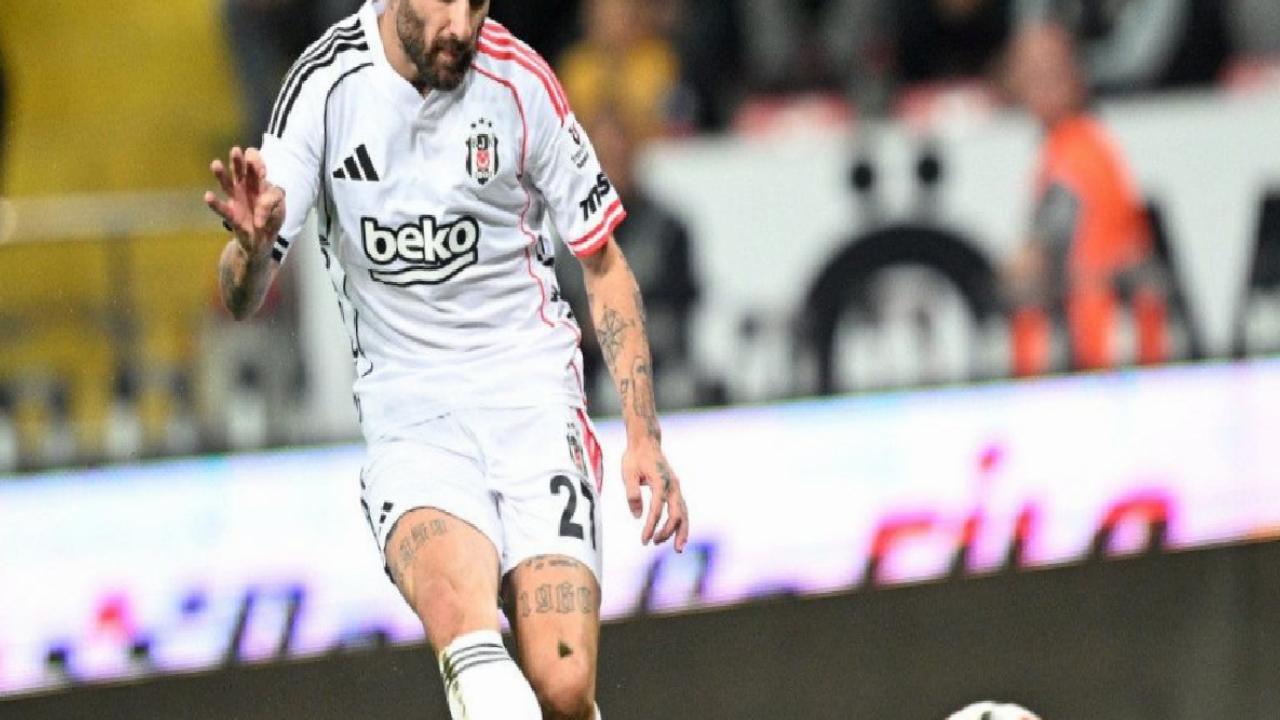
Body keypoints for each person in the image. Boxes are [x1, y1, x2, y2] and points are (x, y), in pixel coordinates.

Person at [202, 2, 691, 718]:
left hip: (531, 400)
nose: (461, 24)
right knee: (472, 641)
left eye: (477, 3)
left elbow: (604, 263)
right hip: (414, 417)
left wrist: (643, 435)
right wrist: (249, 251)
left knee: (563, 685)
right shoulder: (326, 87)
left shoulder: (520, 81)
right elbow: (241, 298)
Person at [1004, 22, 1167, 375]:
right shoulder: (1087, 143)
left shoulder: (1075, 152)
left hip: (1098, 340)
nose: (1042, 87)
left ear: (1077, 77)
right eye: (1032, 74)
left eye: (1051, 74)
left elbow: (1041, 251)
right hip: (1110, 336)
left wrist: (1019, 264)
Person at [555, 109, 700, 410]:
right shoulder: (572, 236)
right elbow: (558, 307)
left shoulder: (668, 229)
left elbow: (682, 302)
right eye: (603, 159)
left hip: (656, 361)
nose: (612, 168)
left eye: (618, 156)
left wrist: (620, 326)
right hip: (587, 366)